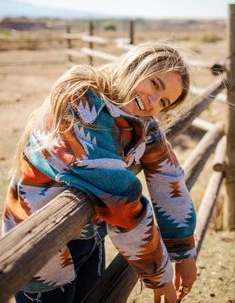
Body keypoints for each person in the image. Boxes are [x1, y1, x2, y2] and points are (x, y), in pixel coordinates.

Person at [2, 42, 197, 303]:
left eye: (163, 102)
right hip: (40, 249)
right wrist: (159, 273)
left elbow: (169, 177)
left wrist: (184, 253)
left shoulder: (142, 124)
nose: (152, 101)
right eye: (154, 84)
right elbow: (119, 197)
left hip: (89, 238)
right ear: (135, 66)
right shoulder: (80, 103)